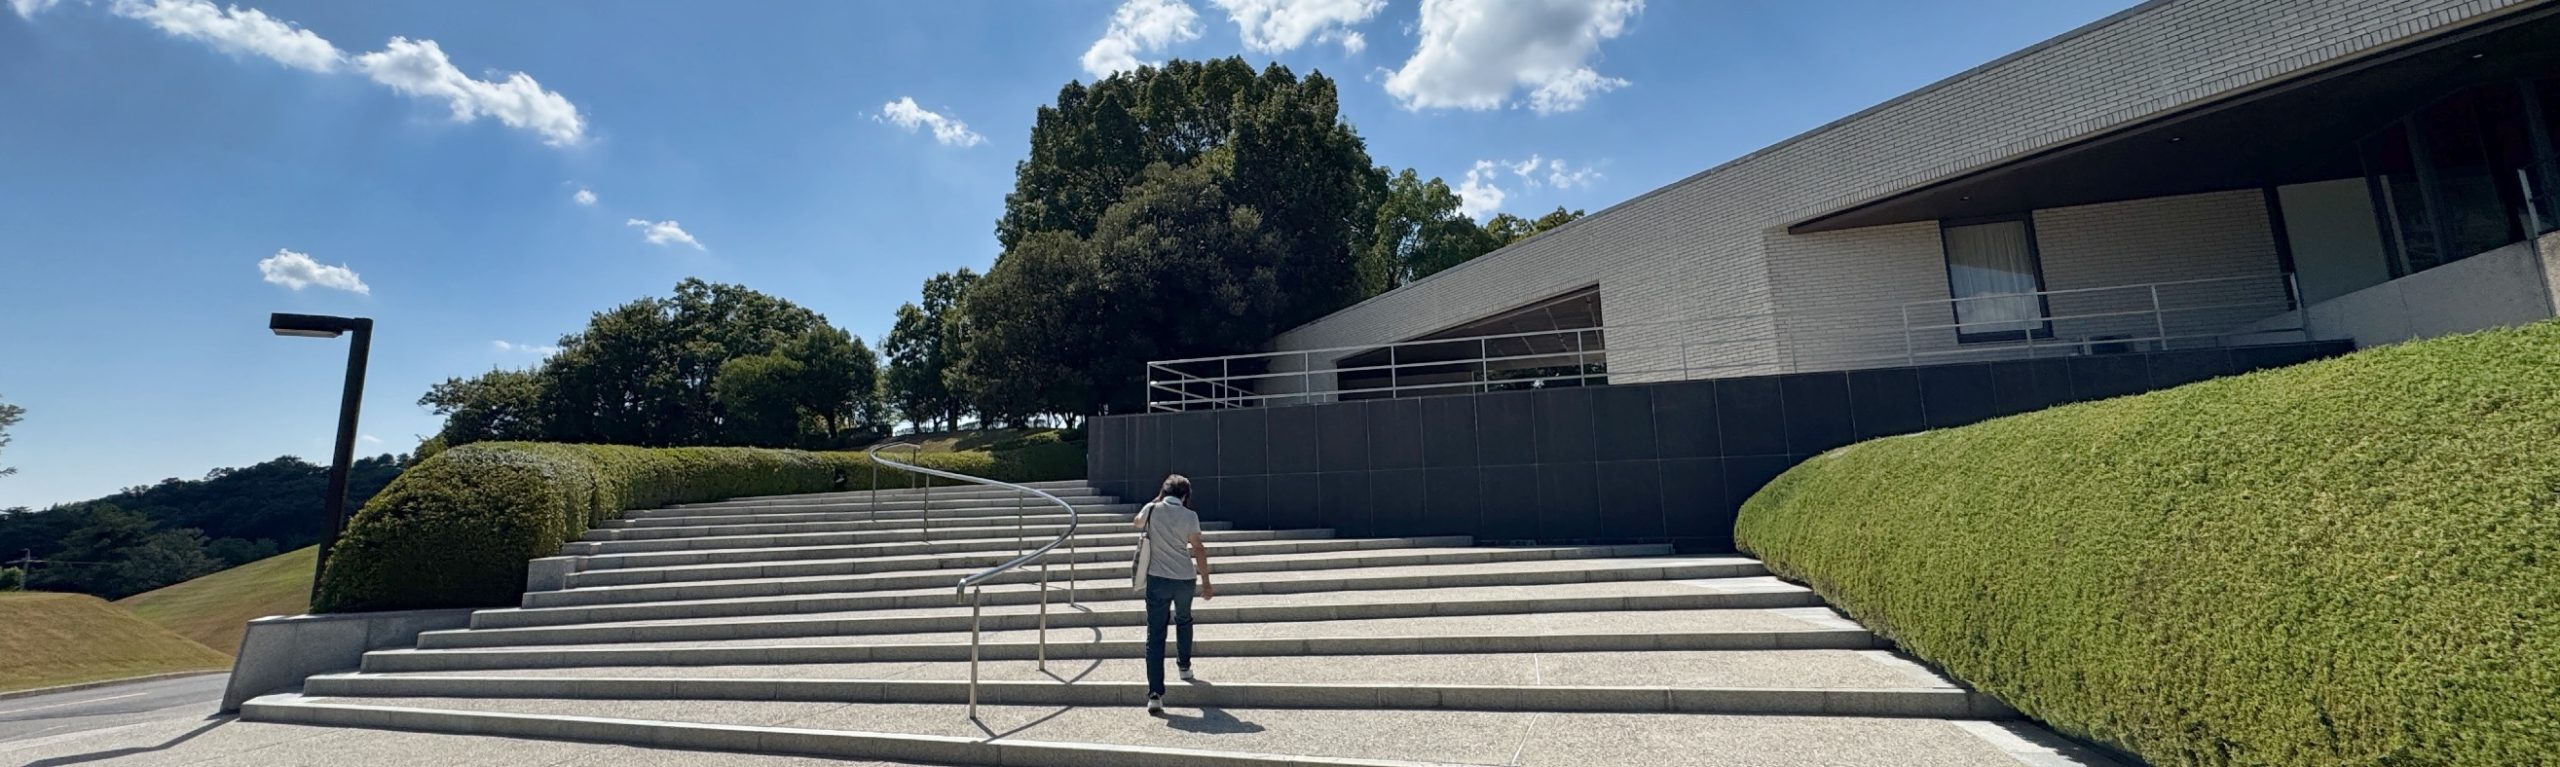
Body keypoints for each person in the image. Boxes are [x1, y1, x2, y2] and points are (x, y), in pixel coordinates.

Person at [1135, 473, 1213, 715]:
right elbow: (1198, 548)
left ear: (1164, 491)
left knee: (1155, 634)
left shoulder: (1151, 509)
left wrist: (1154, 502)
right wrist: (1206, 582)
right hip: (1184, 579)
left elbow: (1136, 523)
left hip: (1157, 578)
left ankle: (1155, 694)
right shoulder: (1190, 516)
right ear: (1185, 495)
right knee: (1184, 620)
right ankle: (1184, 666)